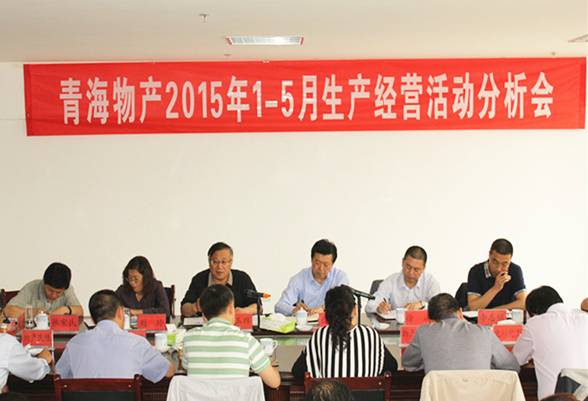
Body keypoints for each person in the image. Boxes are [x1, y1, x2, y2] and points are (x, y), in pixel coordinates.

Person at [56, 290, 175, 382]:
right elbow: (168, 372)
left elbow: (59, 376)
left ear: (92, 318)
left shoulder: (74, 344)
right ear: (120, 312)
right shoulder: (137, 343)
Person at [181, 284, 280, 388]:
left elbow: (186, 367)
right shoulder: (246, 341)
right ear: (231, 309)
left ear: (203, 316)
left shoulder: (189, 338)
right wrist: (272, 362)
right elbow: (274, 383)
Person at [292, 285, 398, 378]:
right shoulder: (371, 335)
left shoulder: (319, 336)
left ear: (327, 313)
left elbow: (297, 371)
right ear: (355, 310)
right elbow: (392, 366)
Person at [402, 293, 519, 373]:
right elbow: (512, 367)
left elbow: (408, 364)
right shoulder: (485, 332)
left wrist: (430, 360)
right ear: (460, 312)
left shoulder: (424, 333)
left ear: (431, 321)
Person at [512, 286, 588, 400]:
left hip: (555, 398)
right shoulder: (585, 317)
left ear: (534, 312)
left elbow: (516, 360)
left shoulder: (535, 323)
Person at [181, 242, 259, 316]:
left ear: (231, 262)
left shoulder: (242, 278)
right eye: (215, 262)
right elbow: (184, 309)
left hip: (236, 324)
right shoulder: (199, 279)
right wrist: (195, 307)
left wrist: (245, 311)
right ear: (209, 262)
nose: (219, 267)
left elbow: (258, 306)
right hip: (207, 325)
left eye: (224, 262)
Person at [275, 239, 349, 316]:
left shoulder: (340, 278)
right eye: (317, 263)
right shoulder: (299, 279)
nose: (321, 268)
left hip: (331, 323)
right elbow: (279, 306)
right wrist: (294, 309)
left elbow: (344, 304)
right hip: (304, 322)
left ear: (332, 264)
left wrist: (324, 309)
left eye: (326, 265)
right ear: (311, 260)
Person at [365, 245, 440, 313]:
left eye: (416, 269)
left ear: (423, 268)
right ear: (402, 262)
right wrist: (379, 308)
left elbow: (440, 307)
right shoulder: (391, 281)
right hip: (396, 323)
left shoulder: (430, 282)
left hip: (422, 323)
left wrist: (422, 304)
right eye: (408, 267)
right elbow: (370, 305)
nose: (411, 272)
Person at [4, 263, 83, 318]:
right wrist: (33, 312)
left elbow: (80, 311)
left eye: (58, 292)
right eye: (50, 290)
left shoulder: (67, 290)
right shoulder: (31, 287)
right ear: (44, 282)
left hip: (58, 335)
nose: (53, 295)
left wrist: (65, 309)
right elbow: (8, 310)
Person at [467, 238, 526, 310]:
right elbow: (473, 307)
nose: (499, 268)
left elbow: (523, 303)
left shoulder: (515, 270)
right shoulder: (476, 271)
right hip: (479, 317)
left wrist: (493, 311)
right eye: (495, 262)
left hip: (504, 316)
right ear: (489, 255)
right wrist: (496, 288)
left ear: (510, 259)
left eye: (504, 264)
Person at [115, 256, 170, 320]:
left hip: (151, 325)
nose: (132, 283)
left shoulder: (156, 287)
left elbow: (165, 311)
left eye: (136, 279)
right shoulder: (122, 290)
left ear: (146, 278)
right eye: (129, 278)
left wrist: (138, 312)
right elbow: (110, 308)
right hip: (128, 326)